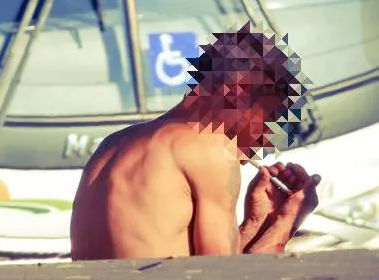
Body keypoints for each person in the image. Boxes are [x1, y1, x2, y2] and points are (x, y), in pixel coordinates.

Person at [70, 22, 321, 260]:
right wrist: (289, 220)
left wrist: (258, 222)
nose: (259, 147)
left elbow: (208, 266)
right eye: (267, 121)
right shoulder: (210, 147)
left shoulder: (114, 144)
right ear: (236, 93)